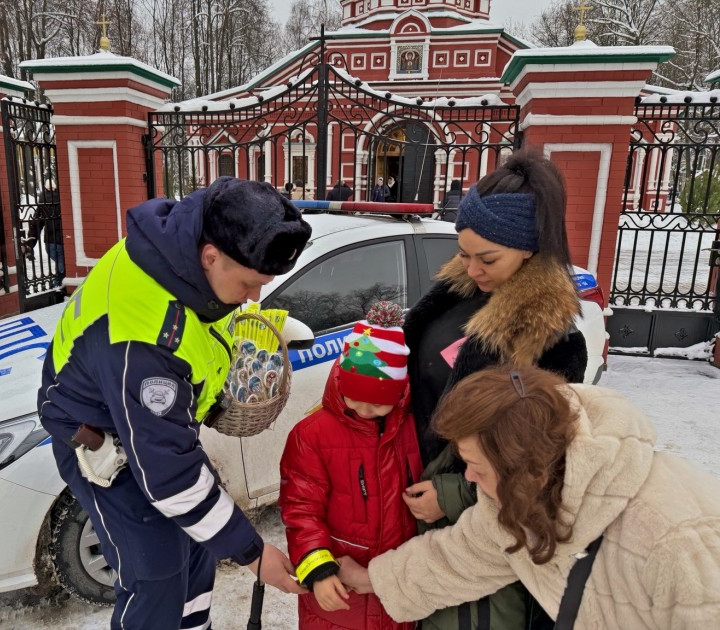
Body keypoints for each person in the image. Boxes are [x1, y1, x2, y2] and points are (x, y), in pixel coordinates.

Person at [37, 177, 311, 630]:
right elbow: (171, 477)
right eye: (248, 283)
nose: (253, 297)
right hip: (104, 442)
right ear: (211, 257)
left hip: (143, 427)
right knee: (156, 570)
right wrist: (254, 554)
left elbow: (202, 331)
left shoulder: (179, 254)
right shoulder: (144, 341)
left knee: (197, 545)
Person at [338, 365, 720, 628]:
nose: (468, 478)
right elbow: (458, 556)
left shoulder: (681, 536)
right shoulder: (521, 498)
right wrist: (370, 577)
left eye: (478, 468)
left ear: (523, 466)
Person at [401, 149, 587, 629]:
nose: (473, 269)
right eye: (463, 254)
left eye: (488, 258)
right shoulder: (455, 296)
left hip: (481, 534)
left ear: (528, 249)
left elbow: (545, 470)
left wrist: (453, 493)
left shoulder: (553, 341)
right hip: (410, 502)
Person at [279, 301, 421, 629]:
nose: (364, 411)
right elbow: (300, 509)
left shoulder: (415, 428)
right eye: (353, 399)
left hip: (399, 591)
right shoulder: (311, 436)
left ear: (399, 395)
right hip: (339, 596)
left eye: (377, 404)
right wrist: (318, 569)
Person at [25, 179, 65, 286]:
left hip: (50, 241)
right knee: (63, 262)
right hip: (63, 239)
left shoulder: (42, 203)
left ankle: (59, 279)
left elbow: (36, 224)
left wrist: (30, 244)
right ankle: (61, 280)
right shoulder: (64, 199)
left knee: (58, 260)